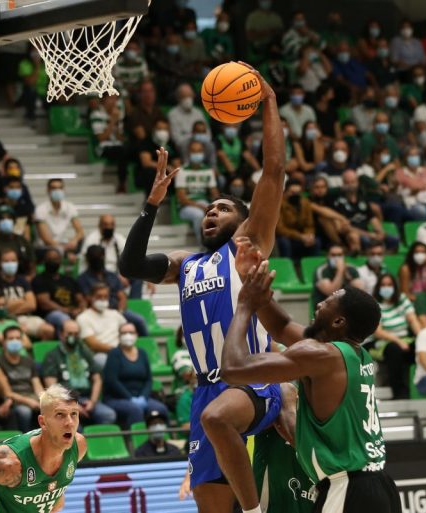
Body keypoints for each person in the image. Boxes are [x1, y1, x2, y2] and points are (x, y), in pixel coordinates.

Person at [118, 64, 286, 513]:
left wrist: (268, 102)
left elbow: (273, 171)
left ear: (242, 219)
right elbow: (129, 264)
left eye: (224, 207)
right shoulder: (185, 265)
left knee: (219, 420)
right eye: (208, 207)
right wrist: (151, 205)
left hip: (253, 378)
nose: (212, 212)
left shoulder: (247, 245)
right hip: (207, 388)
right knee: (208, 503)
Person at [220, 256, 400, 512]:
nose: (319, 303)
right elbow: (281, 326)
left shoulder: (323, 356)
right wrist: (253, 284)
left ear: (338, 322)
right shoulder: (354, 354)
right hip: (379, 485)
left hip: (348, 488)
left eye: (327, 302)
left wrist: (244, 306)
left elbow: (232, 369)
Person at [42, 320, 117, 426]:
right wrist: (71, 406)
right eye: (69, 334)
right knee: (71, 423)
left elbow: (97, 379)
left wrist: (92, 401)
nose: (73, 337)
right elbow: (52, 388)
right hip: (64, 401)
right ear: (61, 334)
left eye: (76, 334)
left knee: (108, 415)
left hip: (86, 398)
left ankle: (98, 442)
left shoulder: (85, 352)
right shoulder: (52, 356)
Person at [103, 323, 169, 427]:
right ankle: (139, 441)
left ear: (136, 334)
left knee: (161, 409)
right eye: (124, 333)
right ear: (119, 336)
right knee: (135, 410)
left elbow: (148, 380)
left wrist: (143, 397)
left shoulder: (142, 353)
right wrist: (129, 398)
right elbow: (112, 381)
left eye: (131, 332)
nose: (128, 335)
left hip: (141, 396)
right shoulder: (114, 354)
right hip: (117, 398)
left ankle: (163, 440)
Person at [0, 326, 44, 432]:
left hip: (31, 397)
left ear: (22, 342)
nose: (15, 341)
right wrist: (28, 401)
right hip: (14, 400)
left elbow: (37, 384)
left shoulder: (28, 361)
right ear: (4, 342)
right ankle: (25, 440)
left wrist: (43, 399)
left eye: (18, 338)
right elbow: (5, 392)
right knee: (24, 412)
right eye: (11, 338)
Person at [32, 248, 86, 335]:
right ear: (44, 261)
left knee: (87, 317)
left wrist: (80, 309)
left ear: (60, 261)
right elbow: (45, 303)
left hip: (73, 311)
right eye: (50, 259)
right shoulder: (39, 280)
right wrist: (65, 310)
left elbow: (81, 299)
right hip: (52, 314)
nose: (53, 262)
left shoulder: (69, 279)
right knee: (65, 320)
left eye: (56, 259)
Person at [75, 282, 127, 367]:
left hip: (120, 351)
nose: (103, 299)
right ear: (90, 297)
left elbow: (127, 330)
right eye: (99, 296)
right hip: (99, 354)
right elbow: (93, 345)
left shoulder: (115, 314)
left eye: (106, 296)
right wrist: (118, 351)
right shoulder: (83, 317)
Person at [34, 178, 84, 258]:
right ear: (48, 190)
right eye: (54, 188)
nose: (57, 191)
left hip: (63, 244)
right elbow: (46, 239)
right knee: (53, 254)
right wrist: (64, 250)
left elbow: (80, 232)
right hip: (45, 248)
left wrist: (74, 241)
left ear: (64, 190)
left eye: (60, 188)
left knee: (82, 242)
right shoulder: (40, 209)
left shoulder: (70, 207)